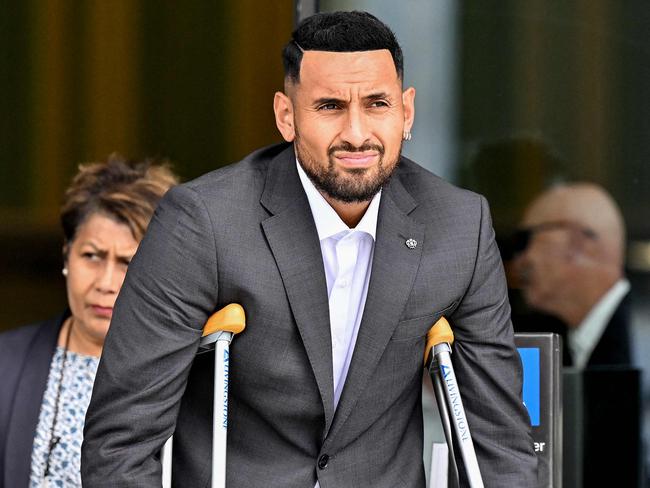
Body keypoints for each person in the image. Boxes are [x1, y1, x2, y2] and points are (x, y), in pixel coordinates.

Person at [82, 11, 538, 487]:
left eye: (377, 104)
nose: (357, 134)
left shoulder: (460, 226)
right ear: (286, 116)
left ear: (407, 112)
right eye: (329, 106)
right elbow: (121, 442)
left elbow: (499, 439)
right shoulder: (204, 221)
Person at [0, 155, 178, 487]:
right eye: (92, 256)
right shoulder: (5, 365)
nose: (106, 282)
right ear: (66, 254)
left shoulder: (195, 374)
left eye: (128, 262)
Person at [511, 182, 631, 368]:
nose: (520, 260)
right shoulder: (563, 341)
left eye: (526, 239)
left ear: (579, 243)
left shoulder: (641, 340)